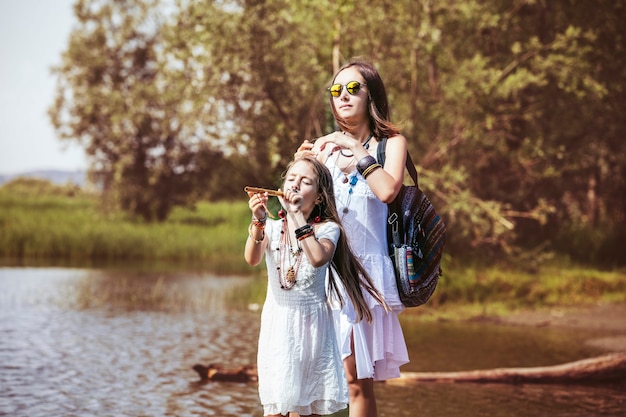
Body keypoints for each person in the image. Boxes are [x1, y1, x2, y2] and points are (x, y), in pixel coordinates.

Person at [296, 58, 410, 417]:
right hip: (322, 276)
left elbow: (388, 190)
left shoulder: (390, 144)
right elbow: (306, 212)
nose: (342, 95)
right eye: (335, 90)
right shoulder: (323, 151)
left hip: (362, 277)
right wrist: (300, 169)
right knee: (310, 378)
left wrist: (357, 152)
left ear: (371, 94)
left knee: (357, 381)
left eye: (352, 88)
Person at [245, 156, 387, 417]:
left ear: (319, 197)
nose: (295, 184)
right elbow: (252, 258)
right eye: (291, 179)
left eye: (305, 181)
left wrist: (297, 215)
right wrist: (259, 220)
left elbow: (318, 258)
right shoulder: (273, 228)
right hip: (278, 327)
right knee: (276, 408)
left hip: (312, 331)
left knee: (309, 409)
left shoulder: (328, 229)